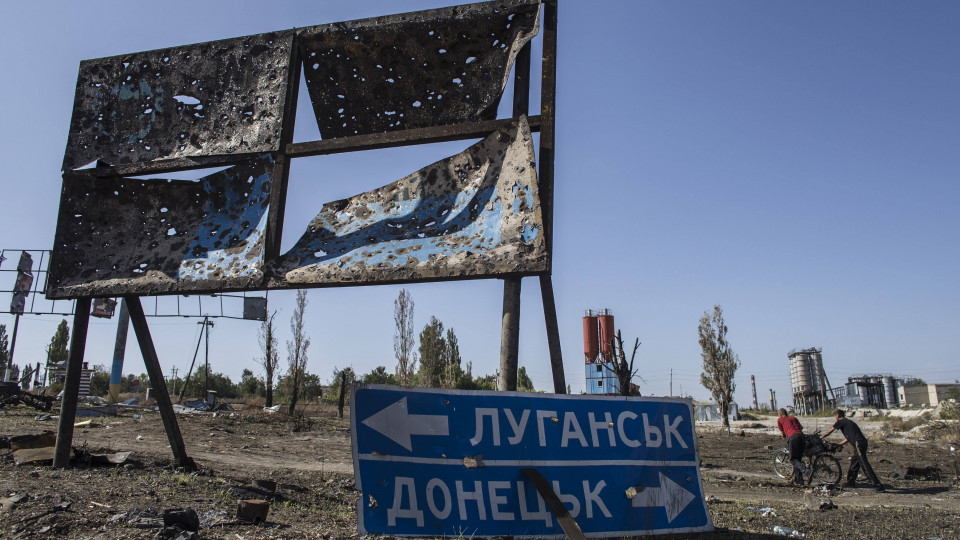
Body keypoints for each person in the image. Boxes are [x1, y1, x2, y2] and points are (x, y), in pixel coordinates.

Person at [821, 409, 884, 491]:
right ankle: (850, 482)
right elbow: (848, 438)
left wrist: (820, 438)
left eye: (835, 415)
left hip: (858, 443)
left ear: (838, 415)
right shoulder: (848, 422)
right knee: (855, 462)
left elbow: (828, 432)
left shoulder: (841, 421)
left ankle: (878, 486)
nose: (835, 417)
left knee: (864, 464)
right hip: (862, 442)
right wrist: (839, 444)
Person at [776, 408, 805, 485]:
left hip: (793, 437)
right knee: (797, 459)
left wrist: (785, 434)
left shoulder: (780, 420)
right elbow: (801, 428)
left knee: (792, 459)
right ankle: (799, 480)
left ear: (780, 414)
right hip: (802, 436)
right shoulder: (793, 418)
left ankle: (805, 470)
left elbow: (782, 434)